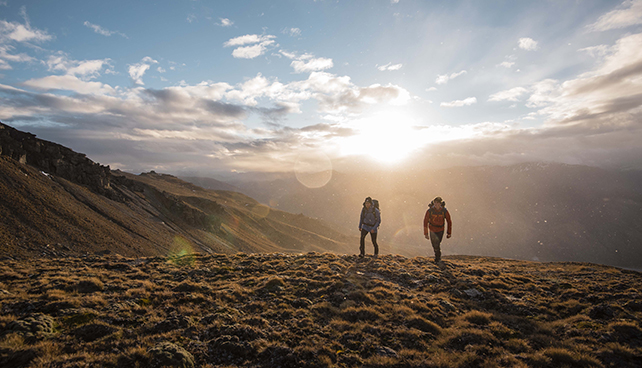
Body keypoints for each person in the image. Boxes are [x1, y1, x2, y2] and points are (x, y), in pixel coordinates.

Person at [423, 197, 452, 263]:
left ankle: (437, 257)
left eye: (438, 203)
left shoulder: (444, 211)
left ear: (440, 203)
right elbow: (425, 221)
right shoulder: (430, 211)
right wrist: (426, 233)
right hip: (432, 230)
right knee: (435, 244)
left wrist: (449, 232)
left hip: (440, 230)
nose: (436, 204)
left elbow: (449, 221)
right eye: (435, 203)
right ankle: (438, 258)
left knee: (437, 244)